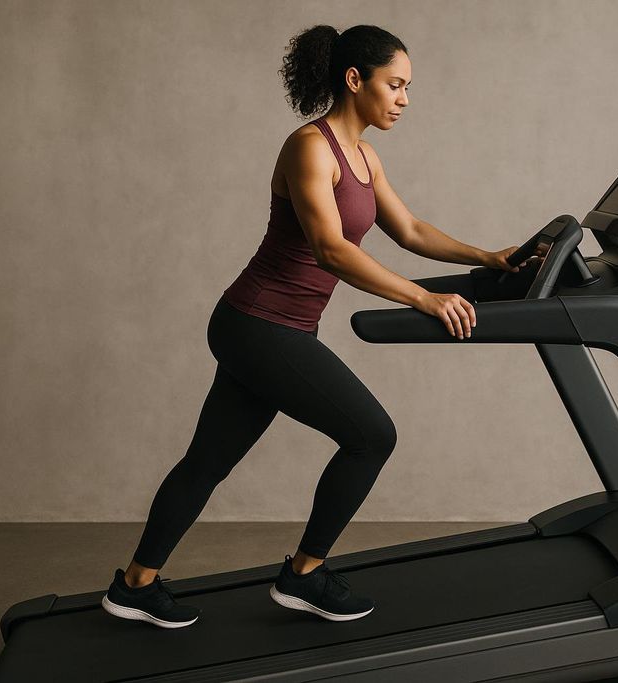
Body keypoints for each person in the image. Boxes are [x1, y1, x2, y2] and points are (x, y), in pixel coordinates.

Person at [101, 23, 543, 629]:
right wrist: (424, 298)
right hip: (258, 323)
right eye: (395, 85)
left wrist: (489, 257)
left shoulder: (365, 156)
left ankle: (134, 586)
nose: (404, 99)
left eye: (408, 87)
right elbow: (331, 249)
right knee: (371, 435)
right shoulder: (309, 147)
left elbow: (410, 231)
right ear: (354, 79)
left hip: (272, 327)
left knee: (207, 462)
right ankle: (304, 575)